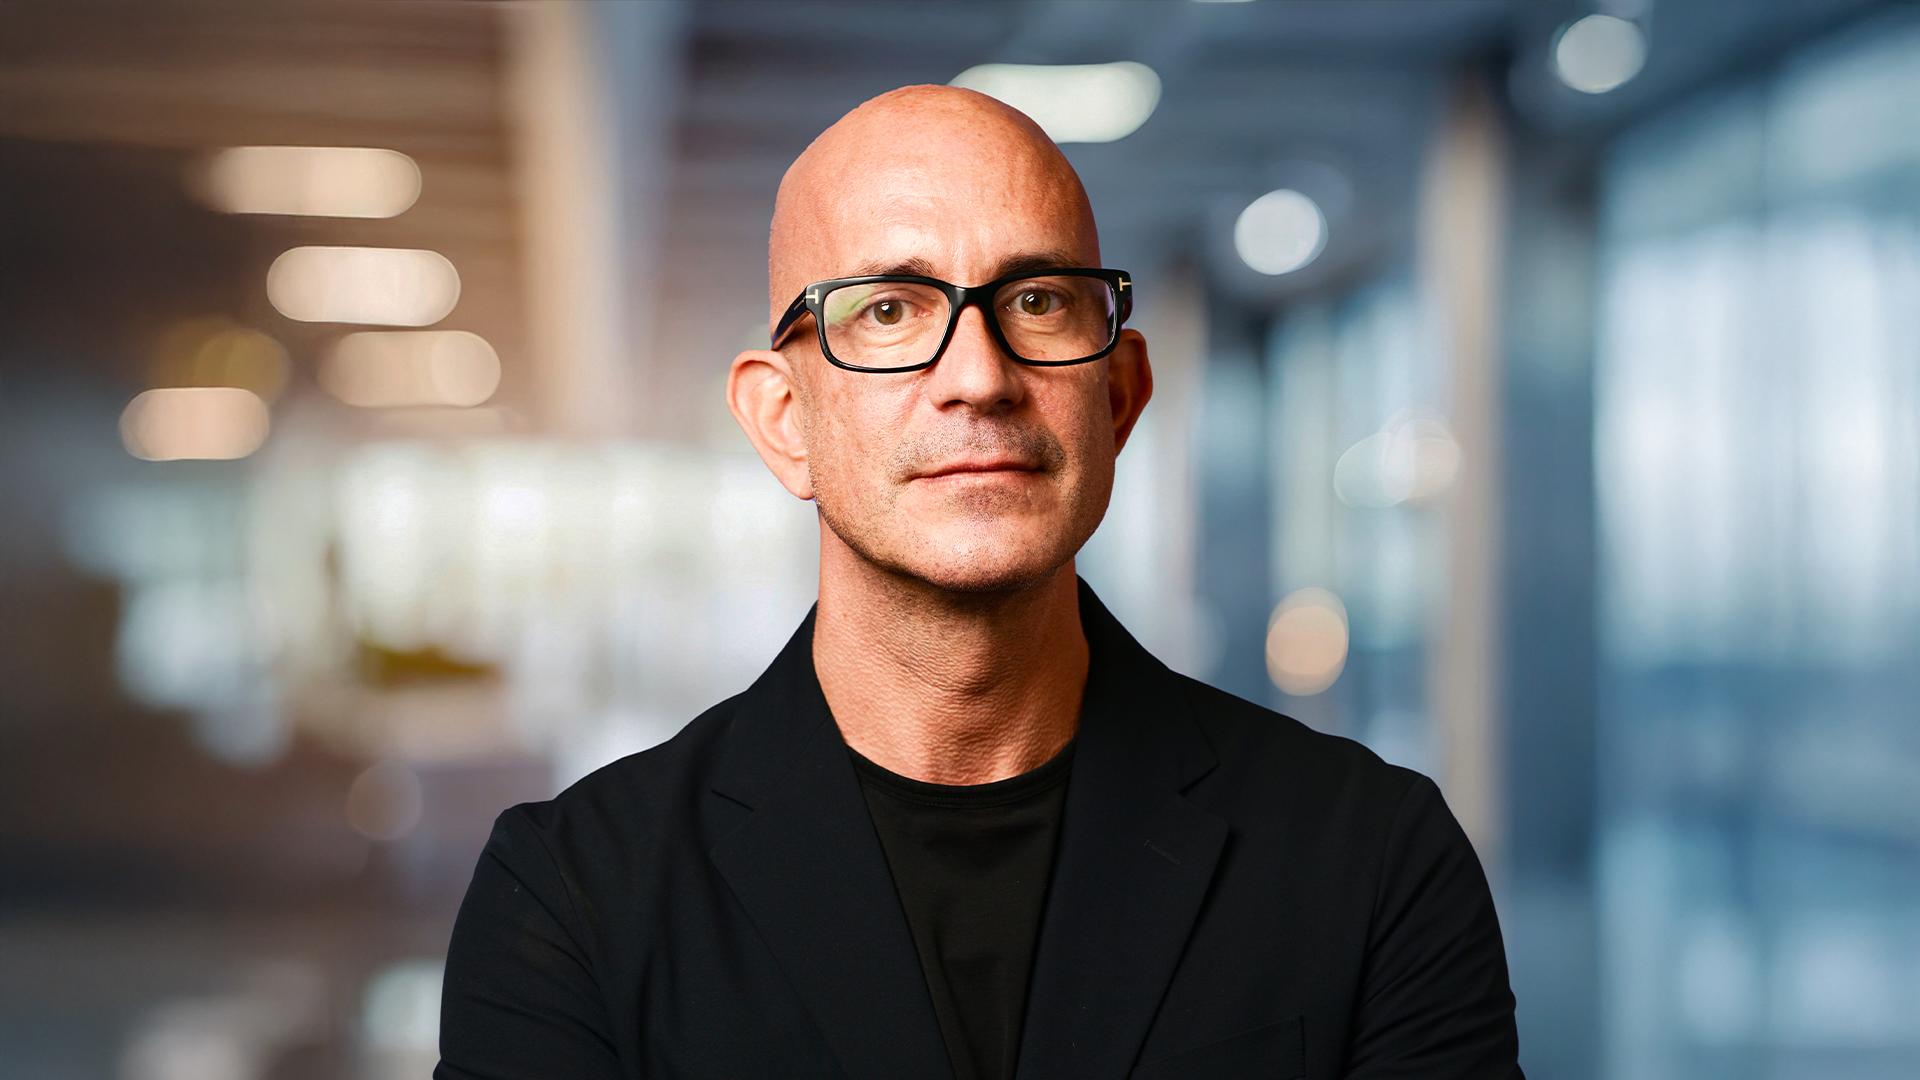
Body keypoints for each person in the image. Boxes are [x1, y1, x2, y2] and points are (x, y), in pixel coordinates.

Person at [435, 84, 1522, 1079]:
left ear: (1120, 396)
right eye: (889, 310)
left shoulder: (1370, 857)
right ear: (783, 420)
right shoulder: (574, 898)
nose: (979, 377)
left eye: (1038, 300)